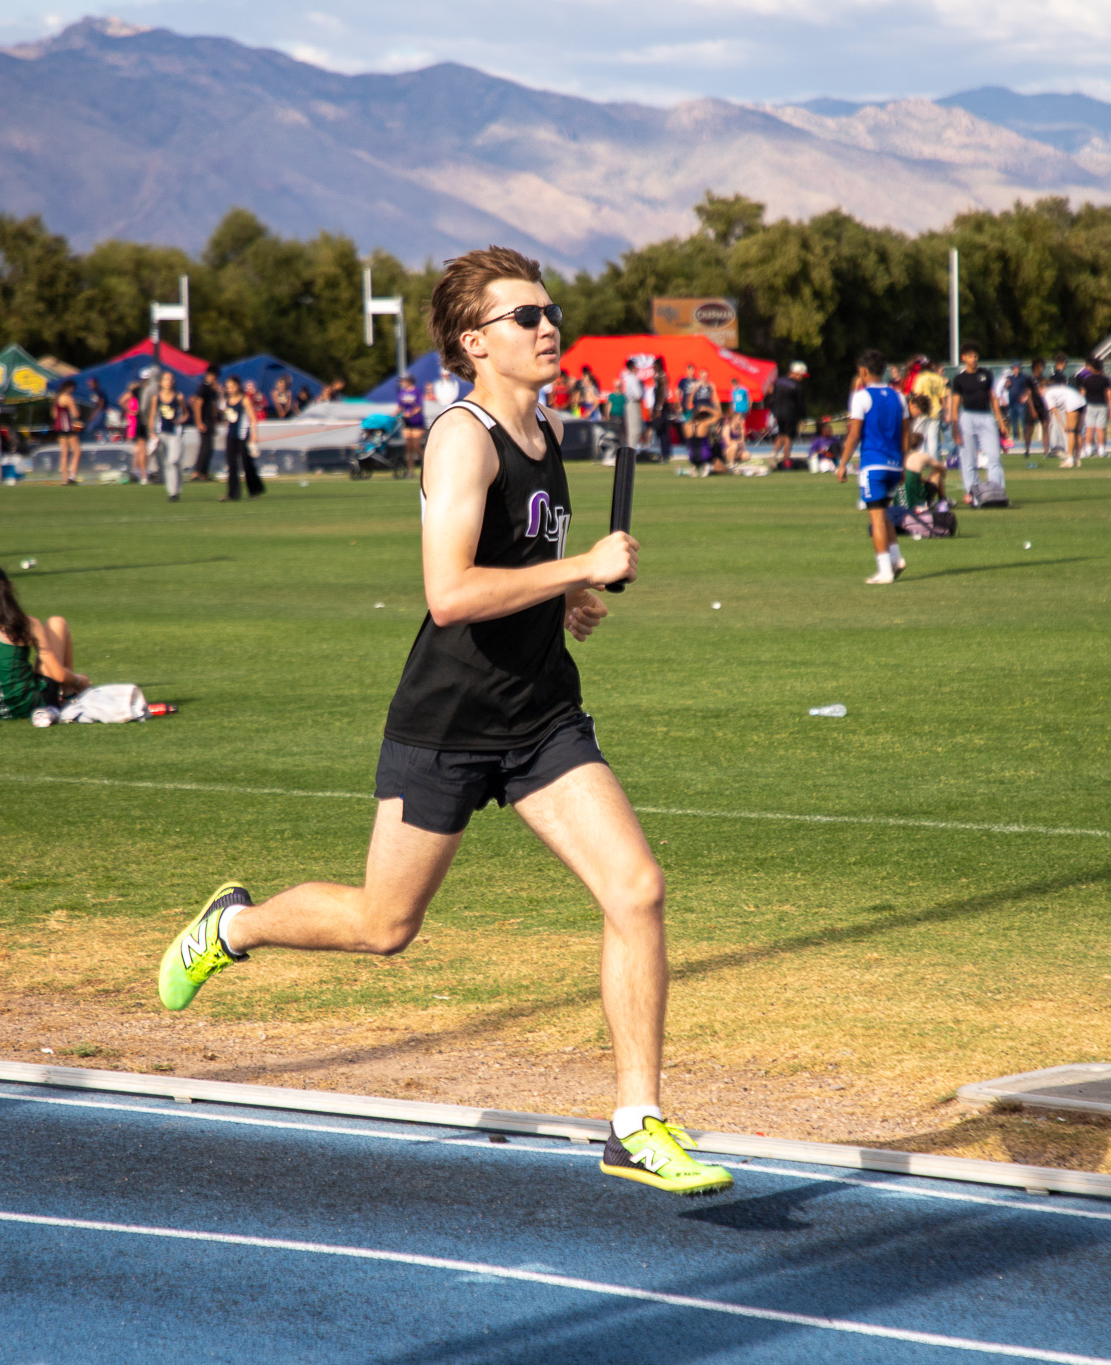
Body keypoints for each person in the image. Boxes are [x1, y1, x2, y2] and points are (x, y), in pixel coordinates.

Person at [153, 245, 731, 1199]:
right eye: (525, 317)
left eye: (551, 311)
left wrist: (571, 599)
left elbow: (525, 567)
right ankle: (235, 926)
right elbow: (451, 592)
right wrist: (581, 566)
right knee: (386, 927)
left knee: (636, 887)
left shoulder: (543, 428)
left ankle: (636, 1120)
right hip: (449, 720)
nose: (549, 328)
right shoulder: (461, 437)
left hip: (542, 715)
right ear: (474, 342)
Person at [0, 563, 86, 724]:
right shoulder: (25, 623)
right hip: (31, 706)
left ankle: (68, 693)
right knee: (57, 623)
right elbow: (58, 674)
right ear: (10, 587)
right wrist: (79, 680)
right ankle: (70, 693)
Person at [837, 350, 907, 585]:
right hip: (895, 464)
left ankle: (884, 571)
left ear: (864, 371)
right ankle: (896, 559)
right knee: (884, 514)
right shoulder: (899, 396)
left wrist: (843, 463)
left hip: (873, 465)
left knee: (876, 519)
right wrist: (903, 465)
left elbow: (855, 433)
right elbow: (905, 433)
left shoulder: (861, 396)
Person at [947, 343, 1005, 502]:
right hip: (967, 417)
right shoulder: (959, 379)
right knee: (968, 458)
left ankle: (996, 492)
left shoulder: (986, 374)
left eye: (975, 356)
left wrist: (1001, 421)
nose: (973, 359)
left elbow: (993, 399)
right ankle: (973, 493)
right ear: (963, 358)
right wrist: (955, 428)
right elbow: (955, 403)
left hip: (986, 416)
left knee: (994, 456)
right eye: (970, 356)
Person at [219, 375, 265, 501]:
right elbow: (225, 415)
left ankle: (254, 490)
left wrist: (254, 435)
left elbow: (253, 418)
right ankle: (232, 493)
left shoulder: (244, 400)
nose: (230, 389)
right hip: (231, 435)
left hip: (243, 435)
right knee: (231, 464)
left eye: (232, 386)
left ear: (238, 386)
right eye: (228, 387)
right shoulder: (226, 400)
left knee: (246, 463)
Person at [149, 370, 191, 501]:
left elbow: (186, 414)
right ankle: (172, 491)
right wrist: (151, 432)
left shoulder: (178, 397)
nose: (168, 382)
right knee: (167, 463)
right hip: (162, 433)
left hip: (175, 433)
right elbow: (152, 415)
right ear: (161, 382)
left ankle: (176, 489)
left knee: (173, 461)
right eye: (165, 379)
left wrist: (181, 420)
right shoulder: (157, 397)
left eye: (170, 379)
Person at [904, 391, 947, 506]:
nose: (917, 417)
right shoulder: (901, 415)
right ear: (912, 405)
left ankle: (941, 500)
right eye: (917, 413)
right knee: (936, 471)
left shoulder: (908, 418)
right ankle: (942, 501)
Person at [1042, 370, 1085, 467]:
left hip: (1073, 402)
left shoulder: (1047, 394)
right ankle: (1077, 459)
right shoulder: (1055, 390)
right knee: (1077, 432)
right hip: (1081, 401)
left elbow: (1055, 412)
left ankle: (1070, 459)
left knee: (1071, 432)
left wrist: (1063, 425)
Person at [1078, 358, 1111, 460]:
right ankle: (1101, 450)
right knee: (1101, 429)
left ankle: (1088, 449)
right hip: (1102, 405)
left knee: (1089, 428)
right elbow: (1109, 395)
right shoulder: (1106, 380)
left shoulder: (1087, 380)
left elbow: (1083, 394)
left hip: (1090, 406)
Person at [191, 371, 221, 481]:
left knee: (209, 448)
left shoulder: (212, 389)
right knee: (205, 447)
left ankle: (204, 472)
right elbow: (198, 404)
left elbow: (214, 406)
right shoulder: (203, 387)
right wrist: (199, 422)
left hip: (210, 421)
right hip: (204, 420)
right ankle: (196, 472)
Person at [52, 381, 84, 484]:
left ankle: (64, 478)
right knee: (77, 451)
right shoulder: (68, 398)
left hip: (59, 427)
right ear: (70, 387)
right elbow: (75, 413)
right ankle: (72, 475)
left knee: (64, 452)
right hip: (68, 427)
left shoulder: (57, 398)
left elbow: (54, 415)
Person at [396, 371, 428, 469]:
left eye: (403, 380)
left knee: (416, 446)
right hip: (406, 422)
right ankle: (411, 470)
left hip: (417, 421)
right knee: (408, 448)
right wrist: (393, 415)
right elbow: (400, 407)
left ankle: (426, 465)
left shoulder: (416, 391)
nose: (402, 382)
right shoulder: (401, 392)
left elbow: (419, 407)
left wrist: (411, 414)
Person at [620, 359, 645, 453]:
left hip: (629, 403)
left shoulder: (627, 377)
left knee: (632, 429)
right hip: (633, 403)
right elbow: (638, 394)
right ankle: (632, 451)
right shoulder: (632, 378)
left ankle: (631, 450)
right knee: (635, 429)